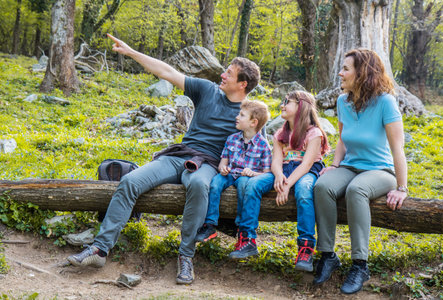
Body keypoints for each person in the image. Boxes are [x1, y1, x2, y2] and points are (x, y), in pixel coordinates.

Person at [67, 33, 261, 285]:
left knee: (199, 185)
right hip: (179, 155)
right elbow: (168, 72)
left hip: (209, 164)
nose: (222, 75)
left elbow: (257, 150)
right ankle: (99, 249)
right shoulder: (207, 90)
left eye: (229, 73)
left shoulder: (252, 112)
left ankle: (186, 256)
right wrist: (132, 52)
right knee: (131, 181)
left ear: (242, 84)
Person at [313, 48, 408, 294]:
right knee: (322, 186)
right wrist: (334, 165)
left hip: (380, 170)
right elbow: (343, 139)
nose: (340, 73)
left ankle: (359, 265)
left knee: (357, 190)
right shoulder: (343, 101)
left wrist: (402, 187)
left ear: (362, 73)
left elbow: (398, 148)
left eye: (346, 68)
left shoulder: (385, 101)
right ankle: (327, 255)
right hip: (349, 166)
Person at [226, 90, 329, 264]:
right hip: (283, 170)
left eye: (287, 101)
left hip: (305, 172)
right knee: (253, 184)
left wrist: (287, 185)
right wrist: (279, 175)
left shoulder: (314, 133)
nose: (282, 105)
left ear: (301, 106)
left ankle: (305, 248)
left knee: (304, 191)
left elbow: (306, 165)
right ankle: (247, 239)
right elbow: (276, 162)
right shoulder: (280, 134)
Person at [194, 100, 271, 245]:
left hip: (245, 177)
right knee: (215, 183)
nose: (237, 117)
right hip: (230, 174)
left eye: (242, 115)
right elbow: (223, 162)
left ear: (253, 122)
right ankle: (210, 223)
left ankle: (240, 224)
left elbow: (267, 173)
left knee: (243, 186)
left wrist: (253, 173)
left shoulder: (263, 145)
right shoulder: (232, 139)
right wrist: (223, 168)